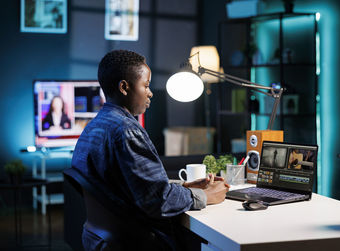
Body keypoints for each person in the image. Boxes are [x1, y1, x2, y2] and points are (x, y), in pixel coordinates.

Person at [71, 50, 229, 250]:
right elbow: (157, 201)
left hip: (99, 240)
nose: (150, 92)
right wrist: (205, 196)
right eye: (146, 85)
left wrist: (185, 186)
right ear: (124, 87)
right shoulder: (126, 131)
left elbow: (130, 187)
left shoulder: (93, 128)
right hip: (138, 242)